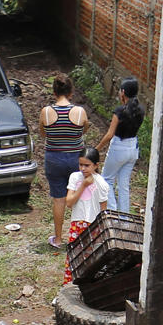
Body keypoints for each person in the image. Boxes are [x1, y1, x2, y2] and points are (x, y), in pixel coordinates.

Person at [40, 75, 93, 250]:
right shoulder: (80, 112)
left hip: (54, 159)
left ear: (54, 92)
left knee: (59, 199)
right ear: (71, 92)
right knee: (80, 198)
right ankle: (81, 238)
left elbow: (43, 133)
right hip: (75, 160)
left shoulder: (46, 112)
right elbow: (83, 130)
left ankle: (58, 239)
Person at [61, 150, 112, 284]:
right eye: (81, 165)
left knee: (90, 259)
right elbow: (69, 202)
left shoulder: (101, 184)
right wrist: (83, 185)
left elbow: (103, 209)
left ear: (96, 165)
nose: (83, 169)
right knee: (72, 257)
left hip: (92, 225)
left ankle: (85, 287)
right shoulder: (75, 177)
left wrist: (102, 228)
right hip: (77, 223)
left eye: (87, 165)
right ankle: (68, 287)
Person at [95, 76, 144, 214]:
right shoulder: (140, 110)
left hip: (119, 148)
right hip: (133, 148)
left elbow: (110, 134)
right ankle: (124, 219)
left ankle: (112, 213)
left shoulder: (120, 111)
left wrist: (97, 149)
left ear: (123, 92)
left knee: (106, 181)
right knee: (123, 185)